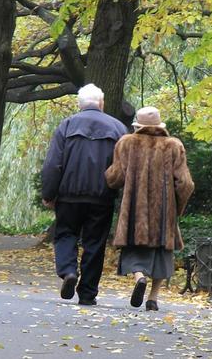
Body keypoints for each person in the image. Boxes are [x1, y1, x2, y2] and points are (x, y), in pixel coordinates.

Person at [41, 84, 127, 305]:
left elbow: (53, 163)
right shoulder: (118, 128)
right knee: (95, 243)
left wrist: (49, 193)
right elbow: (124, 166)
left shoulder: (67, 125)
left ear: (79, 104)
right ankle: (87, 294)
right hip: (102, 196)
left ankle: (68, 271)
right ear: (101, 103)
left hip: (69, 195)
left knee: (65, 234)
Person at [105, 106, 194, 311]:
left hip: (135, 209)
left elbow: (115, 177)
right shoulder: (174, 145)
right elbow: (186, 184)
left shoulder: (127, 143)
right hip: (165, 211)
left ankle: (139, 277)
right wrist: (177, 208)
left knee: (133, 248)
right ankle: (153, 298)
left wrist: (110, 180)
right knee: (162, 253)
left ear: (138, 125)